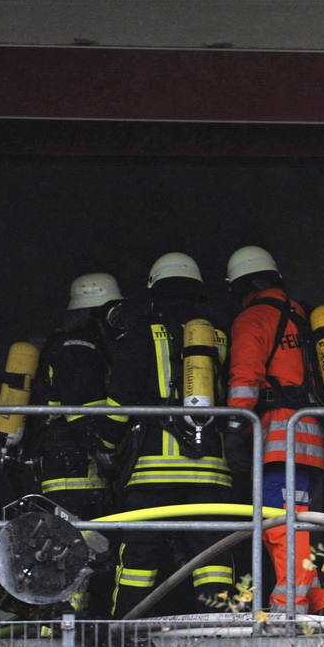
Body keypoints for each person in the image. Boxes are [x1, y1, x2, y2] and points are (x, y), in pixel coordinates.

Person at [104, 251, 237, 617]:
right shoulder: (219, 337)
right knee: (212, 555)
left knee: (140, 556)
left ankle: (124, 628)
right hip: (211, 471)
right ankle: (219, 629)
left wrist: (103, 443)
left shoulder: (141, 335)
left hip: (152, 474)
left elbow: (121, 401)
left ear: (154, 291)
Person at [224, 245, 324, 613]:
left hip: (280, 438)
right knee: (298, 524)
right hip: (316, 440)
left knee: (281, 526)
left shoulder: (253, 318)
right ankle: (317, 603)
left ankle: (288, 608)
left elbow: (244, 381)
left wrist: (234, 427)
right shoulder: (306, 319)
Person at [20, 271, 129, 615]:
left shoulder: (69, 343)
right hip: (74, 466)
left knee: (74, 545)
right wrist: (103, 446)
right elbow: (81, 409)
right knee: (80, 545)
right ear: (102, 311)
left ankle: (68, 618)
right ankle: (70, 620)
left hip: (65, 463)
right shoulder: (79, 347)